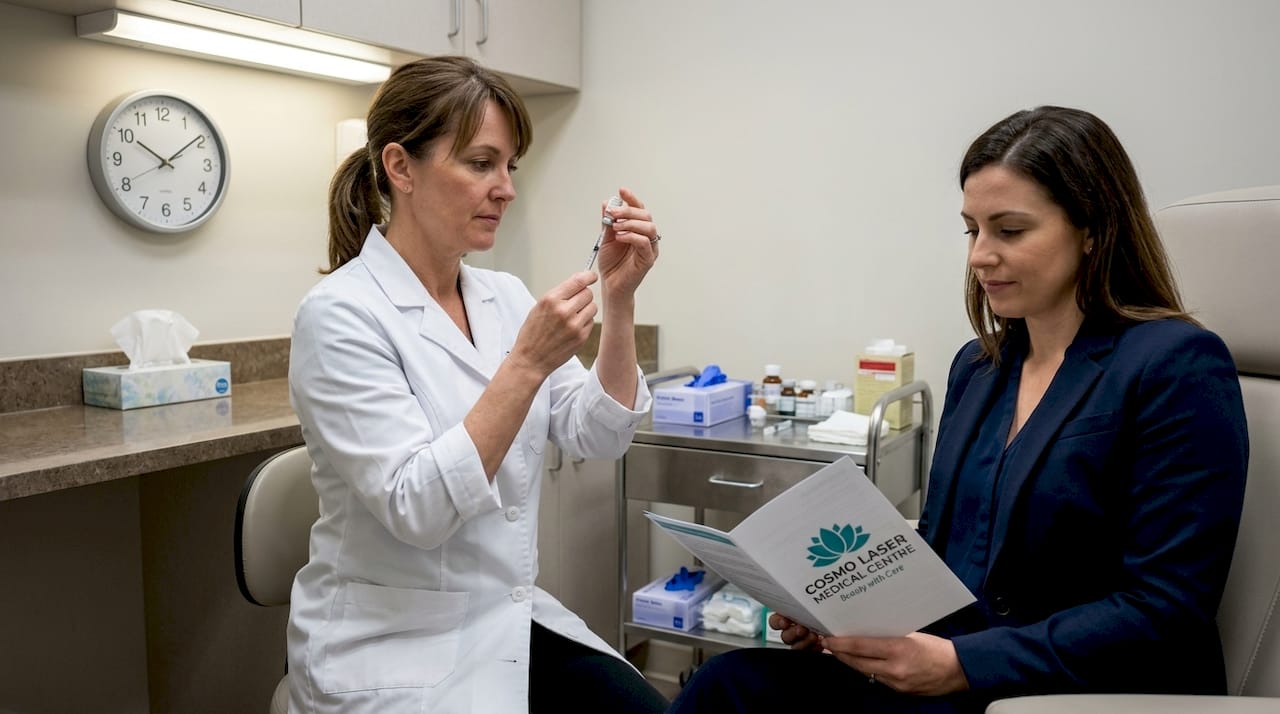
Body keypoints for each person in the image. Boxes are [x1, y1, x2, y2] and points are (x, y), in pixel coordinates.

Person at [667, 106, 1249, 713]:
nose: (979, 255)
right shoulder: (981, 366)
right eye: (972, 229)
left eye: (1010, 230)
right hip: (951, 673)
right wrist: (842, 613)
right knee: (726, 686)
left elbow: (1166, 607)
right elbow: (943, 549)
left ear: (1092, 229)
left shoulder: (1176, 365)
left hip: (1073, 691)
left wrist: (962, 665)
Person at [286, 56, 669, 714]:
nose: (506, 189)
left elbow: (599, 434)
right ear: (400, 167)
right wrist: (523, 366)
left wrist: (620, 298)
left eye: (510, 166)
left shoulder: (503, 296)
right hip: (391, 646)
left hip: (505, 620)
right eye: (480, 163)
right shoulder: (340, 315)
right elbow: (419, 509)